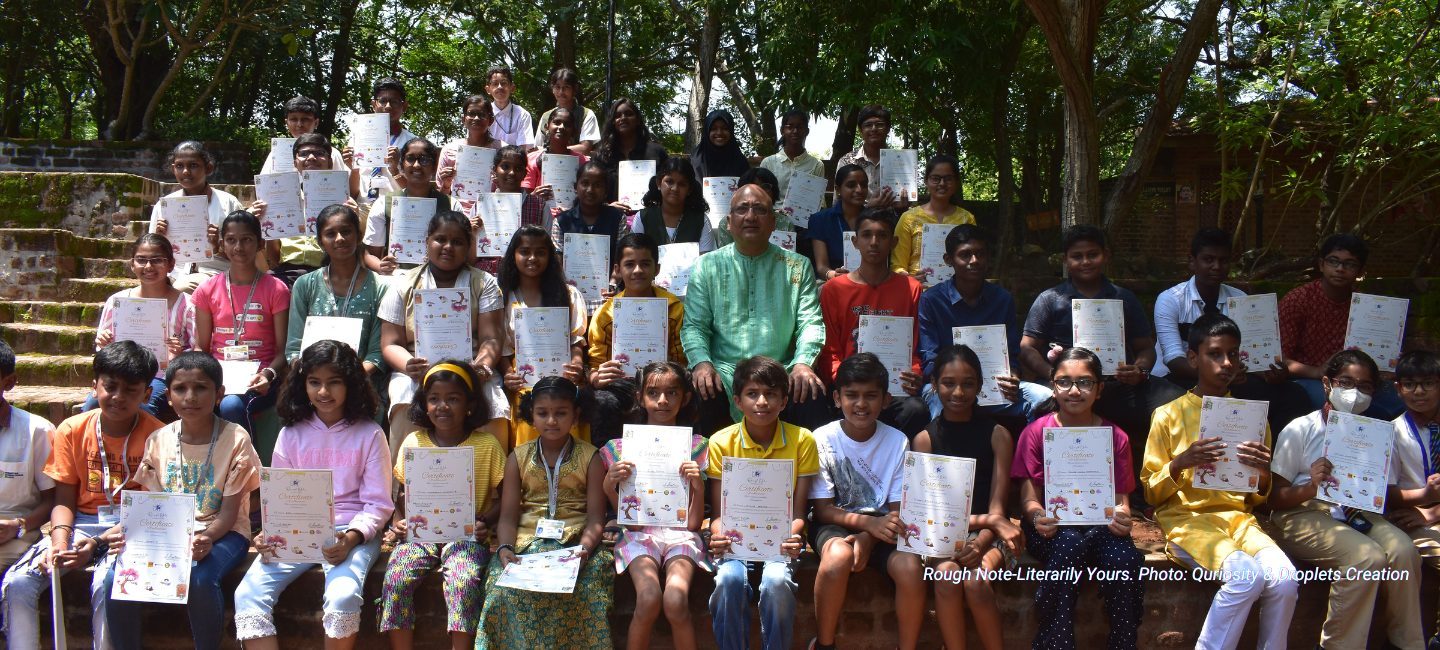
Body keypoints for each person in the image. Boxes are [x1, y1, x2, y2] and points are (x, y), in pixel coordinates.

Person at [1142, 314, 1298, 650]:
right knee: (1245, 577)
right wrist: (1182, 462)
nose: (1226, 363)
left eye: (1233, 354)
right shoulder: (1168, 415)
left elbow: (1256, 499)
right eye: (1215, 354)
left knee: (1285, 580)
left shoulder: (1252, 418)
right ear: (1194, 359)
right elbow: (1151, 492)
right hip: (1187, 521)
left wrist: (1264, 474)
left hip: (1239, 520)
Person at [0, 341, 162, 650]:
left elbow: (148, 512)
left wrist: (98, 544)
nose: (117, 397)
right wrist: (60, 543)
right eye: (110, 386)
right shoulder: (72, 429)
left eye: (130, 390)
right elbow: (63, 499)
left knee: (108, 584)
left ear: (147, 394)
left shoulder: (159, 437)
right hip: (79, 525)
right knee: (18, 583)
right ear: (94, 387)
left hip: (131, 530)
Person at [233, 341, 392, 648]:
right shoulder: (290, 434)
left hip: (351, 532)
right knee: (248, 593)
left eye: (335, 382)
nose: (324, 392)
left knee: (343, 594)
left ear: (352, 385)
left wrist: (354, 537)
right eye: (314, 382)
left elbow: (377, 503)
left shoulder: (370, 433)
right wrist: (270, 532)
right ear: (302, 384)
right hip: (297, 531)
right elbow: (279, 497)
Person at [101, 351, 261, 650]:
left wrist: (207, 539)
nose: (190, 397)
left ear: (219, 394)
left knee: (199, 578)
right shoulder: (159, 440)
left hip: (225, 533)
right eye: (180, 389)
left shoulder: (235, 437)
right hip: (168, 535)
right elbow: (150, 505)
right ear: (169, 396)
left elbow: (229, 512)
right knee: (116, 578)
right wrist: (126, 533)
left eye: (201, 387)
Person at [1268, 347, 1422, 650]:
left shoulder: (1377, 435)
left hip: (1358, 512)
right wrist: (1312, 486)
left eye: (1365, 387)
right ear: (1327, 384)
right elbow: (1272, 499)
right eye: (1346, 383)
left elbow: (1381, 494)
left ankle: (1407, 643)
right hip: (1301, 514)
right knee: (1366, 557)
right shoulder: (1301, 429)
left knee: (1404, 551)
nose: (1355, 392)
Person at [1021, 225, 1183, 499]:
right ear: (1065, 259)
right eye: (1076, 256)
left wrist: (1140, 369)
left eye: (1092, 254)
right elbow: (1027, 349)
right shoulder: (1050, 300)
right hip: (1068, 391)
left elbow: (1145, 347)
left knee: (1176, 403)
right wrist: (1053, 375)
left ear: (1106, 255)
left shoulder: (1124, 299)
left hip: (1116, 385)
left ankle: (1157, 489)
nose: (1085, 262)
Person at [1012, 347, 1144, 650]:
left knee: (1123, 559)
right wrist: (1036, 516)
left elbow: (1122, 499)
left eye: (1085, 382)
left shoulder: (1116, 436)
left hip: (1100, 526)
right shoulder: (1035, 433)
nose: (1074, 390)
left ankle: (1124, 642)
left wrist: (1123, 517)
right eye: (1064, 382)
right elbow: (1029, 499)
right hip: (1052, 528)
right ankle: (1055, 642)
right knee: (1070, 544)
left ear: (1099, 390)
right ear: (1052, 386)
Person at [476, 376, 614, 649]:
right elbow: (507, 517)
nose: (552, 421)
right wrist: (504, 548)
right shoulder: (518, 457)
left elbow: (597, 519)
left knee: (586, 593)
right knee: (501, 592)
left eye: (561, 413)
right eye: (543, 413)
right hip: (526, 544)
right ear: (531, 416)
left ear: (576, 416)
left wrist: (584, 550)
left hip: (577, 545)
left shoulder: (592, 457)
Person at [680, 183, 827, 434]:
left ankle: (808, 473)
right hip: (725, 372)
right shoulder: (706, 266)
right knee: (699, 391)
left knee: (810, 392)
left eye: (759, 209)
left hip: (782, 369)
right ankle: (706, 472)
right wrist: (702, 363)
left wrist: (803, 364)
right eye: (742, 209)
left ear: (773, 221)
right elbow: (694, 325)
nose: (750, 216)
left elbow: (810, 323)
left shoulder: (797, 266)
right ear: (728, 221)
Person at [379, 361, 505, 650]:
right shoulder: (414, 442)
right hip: (420, 534)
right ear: (424, 403)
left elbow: (506, 496)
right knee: (396, 579)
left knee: (463, 581)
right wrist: (400, 519)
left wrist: (485, 520)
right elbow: (402, 491)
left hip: (466, 534)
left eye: (453, 399)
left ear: (470, 404)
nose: (442, 406)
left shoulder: (486, 445)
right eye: (434, 399)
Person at [808, 353, 924, 650]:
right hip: (834, 522)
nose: (861, 404)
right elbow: (823, 509)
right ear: (837, 398)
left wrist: (869, 537)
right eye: (852, 395)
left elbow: (897, 512)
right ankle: (824, 643)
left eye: (871, 396)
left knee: (910, 568)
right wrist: (866, 527)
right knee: (837, 558)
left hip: (886, 529)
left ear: (885, 401)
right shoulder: (821, 438)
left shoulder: (898, 441)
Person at [910, 345, 1023, 650]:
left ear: (980, 386)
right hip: (940, 533)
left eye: (968, 383)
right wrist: (969, 534)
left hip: (991, 534)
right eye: (948, 382)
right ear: (933, 385)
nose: (957, 392)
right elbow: (926, 511)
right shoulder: (924, 440)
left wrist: (981, 540)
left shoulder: (998, 434)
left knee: (975, 582)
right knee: (946, 577)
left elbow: (998, 510)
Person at [705, 356, 816, 650]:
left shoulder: (802, 440)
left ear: (784, 401)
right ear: (737, 401)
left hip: (780, 541)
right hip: (735, 542)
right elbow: (719, 514)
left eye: (771, 394)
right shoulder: (719, 442)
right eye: (752, 394)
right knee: (729, 580)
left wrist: (794, 536)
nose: (762, 402)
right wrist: (717, 534)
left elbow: (799, 511)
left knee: (777, 583)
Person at [1152, 227, 1309, 432]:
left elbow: (1251, 356)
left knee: (1295, 396)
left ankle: (1270, 458)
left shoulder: (1240, 300)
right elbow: (1173, 360)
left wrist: (1270, 372)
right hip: (1181, 378)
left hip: (1230, 377)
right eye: (1208, 259)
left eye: (1223, 260)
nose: (1216, 266)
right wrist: (1222, 374)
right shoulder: (1170, 300)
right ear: (1192, 262)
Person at [600, 361, 709, 650]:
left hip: (681, 535)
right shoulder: (620, 448)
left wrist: (697, 485)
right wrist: (610, 488)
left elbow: (694, 525)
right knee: (648, 600)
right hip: (638, 535)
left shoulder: (697, 446)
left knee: (675, 601)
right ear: (639, 397)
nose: (663, 400)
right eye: (653, 392)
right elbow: (633, 523)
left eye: (672, 392)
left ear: (685, 398)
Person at [378, 210, 505, 458]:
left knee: (494, 403)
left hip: (471, 368)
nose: (448, 247)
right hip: (418, 369)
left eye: (458, 242)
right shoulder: (402, 283)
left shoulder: (485, 283)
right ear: (427, 241)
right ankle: (405, 485)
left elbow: (492, 339)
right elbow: (390, 343)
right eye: (441, 239)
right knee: (404, 397)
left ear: (469, 246)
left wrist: (481, 369)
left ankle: (492, 487)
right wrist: (408, 365)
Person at [918, 224, 1052, 422]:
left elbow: (1012, 354)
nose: (974, 261)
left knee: (1044, 398)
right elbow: (930, 359)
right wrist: (951, 382)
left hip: (994, 385)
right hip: (948, 386)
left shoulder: (1002, 299)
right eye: (965, 255)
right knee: (938, 406)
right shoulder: (932, 300)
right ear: (949, 260)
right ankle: (943, 452)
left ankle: (1029, 452)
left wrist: (1013, 376)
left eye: (980, 253)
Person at [814, 207, 929, 436]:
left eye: (882, 235)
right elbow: (830, 351)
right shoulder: (834, 289)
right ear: (855, 242)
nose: (874, 242)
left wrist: (914, 374)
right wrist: (842, 380)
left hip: (893, 388)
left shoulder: (911, 289)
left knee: (916, 409)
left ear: (894, 242)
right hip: (849, 387)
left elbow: (916, 346)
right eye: (866, 235)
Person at [1279, 232, 1406, 418]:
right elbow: (1279, 359)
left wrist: (1389, 360)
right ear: (1321, 264)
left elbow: (1379, 359)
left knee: (1402, 399)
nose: (1340, 268)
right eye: (1333, 261)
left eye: (1350, 264)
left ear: (1361, 271)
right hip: (1312, 379)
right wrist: (1317, 371)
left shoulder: (1368, 308)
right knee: (1331, 401)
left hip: (1361, 382)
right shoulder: (1297, 300)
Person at [284, 204, 390, 419]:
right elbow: (294, 350)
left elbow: (377, 355)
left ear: (359, 236)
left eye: (346, 231)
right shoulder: (305, 285)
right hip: (314, 390)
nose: (339, 238)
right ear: (320, 242)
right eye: (330, 234)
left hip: (361, 386)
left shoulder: (381, 287)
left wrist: (344, 380)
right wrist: (318, 381)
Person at [192, 211, 290, 439]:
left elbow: (283, 351)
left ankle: (248, 469)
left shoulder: (276, 289)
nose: (238, 247)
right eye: (231, 240)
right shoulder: (207, 289)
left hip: (261, 378)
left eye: (246, 239)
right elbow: (201, 348)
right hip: (220, 376)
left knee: (231, 405)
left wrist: (268, 374)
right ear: (221, 244)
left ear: (260, 243)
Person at [587, 233, 686, 446]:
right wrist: (596, 377)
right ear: (617, 270)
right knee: (603, 401)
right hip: (623, 382)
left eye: (645, 264)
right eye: (630, 264)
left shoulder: (673, 308)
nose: (638, 270)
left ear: (657, 269)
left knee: (689, 396)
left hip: (664, 383)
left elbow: (682, 359)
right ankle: (607, 468)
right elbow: (596, 362)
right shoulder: (606, 313)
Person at [497, 225, 590, 447]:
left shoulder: (568, 294)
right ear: (513, 255)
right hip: (523, 378)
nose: (533, 258)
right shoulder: (502, 297)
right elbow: (501, 347)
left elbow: (576, 340)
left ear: (550, 256)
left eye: (540, 252)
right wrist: (508, 373)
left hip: (563, 374)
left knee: (570, 395)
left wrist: (577, 364)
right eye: (525, 251)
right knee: (530, 399)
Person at [84, 233, 194, 417]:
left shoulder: (187, 304)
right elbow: (103, 353)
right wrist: (104, 345)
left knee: (145, 406)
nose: (149, 266)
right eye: (141, 260)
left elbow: (197, 348)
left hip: (162, 375)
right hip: (121, 373)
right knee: (92, 405)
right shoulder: (117, 302)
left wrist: (179, 355)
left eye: (157, 260)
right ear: (132, 264)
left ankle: (145, 446)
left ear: (171, 265)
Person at [255, 132, 361, 288]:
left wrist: (354, 219)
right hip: (287, 274)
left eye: (319, 153)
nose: (311, 157)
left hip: (330, 273)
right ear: (295, 164)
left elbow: (355, 251)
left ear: (330, 163)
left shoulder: (345, 202)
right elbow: (275, 259)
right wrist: (267, 223)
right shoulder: (280, 200)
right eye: (303, 154)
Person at [1388, 350, 1440, 646]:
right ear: (1398, 388)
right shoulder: (1393, 432)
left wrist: (1433, 513)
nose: (1419, 391)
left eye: (1429, 383)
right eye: (1410, 384)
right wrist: (1425, 501)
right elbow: (1389, 494)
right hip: (1412, 518)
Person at [150, 140, 246, 292]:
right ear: (173, 169)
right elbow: (151, 253)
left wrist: (217, 247)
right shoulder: (165, 206)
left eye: (193, 165)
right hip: (175, 271)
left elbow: (246, 253)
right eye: (180, 166)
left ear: (208, 168)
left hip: (215, 271)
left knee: (180, 288)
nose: (186, 171)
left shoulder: (227, 203)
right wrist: (158, 238)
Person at [0, 340, 55, 574]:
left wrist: (18, 526)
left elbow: (53, 499)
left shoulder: (37, 431)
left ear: (9, 382)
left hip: (13, 532)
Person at [363, 137, 453, 276]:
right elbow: (370, 254)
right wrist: (381, 266)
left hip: (438, 280)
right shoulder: (383, 203)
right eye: (410, 158)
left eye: (424, 159)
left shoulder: (451, 205)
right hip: (396, 280)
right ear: (402, 165)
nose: (416, 165)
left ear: (434, 167)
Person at [891, 154, 974, 282]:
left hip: (957, 292)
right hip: (918, 293)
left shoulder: (966, 219)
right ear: (926, 181)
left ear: (957, 182)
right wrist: (910, 279)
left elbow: (971, 260)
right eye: (936, 178)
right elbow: (897, 266)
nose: (942, 183)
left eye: (948, 179)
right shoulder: (909, 218)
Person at [555, 160, 628, 292]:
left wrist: (612, 284)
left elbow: (621, 257)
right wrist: (568, 290)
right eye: (584, 183)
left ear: (606, 190)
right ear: (575, 187)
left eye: (597, 185)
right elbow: (558, 262)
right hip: (571, 293)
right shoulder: (562, 221)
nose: (590, 190)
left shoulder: (617, 218)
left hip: (609, 293)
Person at [592, 97, 670, 210]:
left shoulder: (656, 151)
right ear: (612, 122)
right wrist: (607, 207)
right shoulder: (602, 155)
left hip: (650, 218)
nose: (623, 118)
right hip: (611, 219)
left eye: (628, 114)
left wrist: (658, 202)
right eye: (618, 115)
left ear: (638, 119)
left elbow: (670, 184)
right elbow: (592, 190)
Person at [437, 94, 504, 216]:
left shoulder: (502, 150)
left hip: (491, 213)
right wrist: (446, 184)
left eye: (482, 114)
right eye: (471, 113)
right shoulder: (449, 150)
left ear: (491, 120)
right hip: (455, 214)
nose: (476, 118)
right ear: (463, 118)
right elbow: (440, 196)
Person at [631, 156, 716, 251]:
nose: (675, 188)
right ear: (659, 184)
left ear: (689, 189)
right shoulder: (642, 218)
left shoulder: (701, 220)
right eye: (669, 182)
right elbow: (635, 255)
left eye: (682, 184)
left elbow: (706, 260)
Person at [355, 77, 417, 203]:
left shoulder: (413, 143)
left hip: (396, 207)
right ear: (374, 105)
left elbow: (417, 188)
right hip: (363, 205)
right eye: (382, 101)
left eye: (394, 101)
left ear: (404, 106)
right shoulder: (357, 140)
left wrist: (396, 170)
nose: (388, 106)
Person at [260, 96, 352, 178]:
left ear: (316, 123)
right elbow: (264, 185)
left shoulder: (331, 153)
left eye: (305, 119)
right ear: (287, 123)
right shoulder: (276, 154)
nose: (299, 124)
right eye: (294, 119)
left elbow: (341, 184)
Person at [837, 104, 907, 210]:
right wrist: (869, 208)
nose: (874, 129)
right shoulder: (847, 161)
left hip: (894, 224)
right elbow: (838, 203)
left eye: (880, 124)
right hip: (857, 225)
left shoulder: (903, 162)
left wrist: (901, 209)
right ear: (860, 130)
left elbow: (908, 202)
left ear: (888, 128)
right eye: (868, 125)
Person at [808, 164, 869, 281]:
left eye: (864, 185)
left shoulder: (874, 219)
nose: (859, 190)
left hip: (869, 281)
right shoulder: (820, 220)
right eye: (851, 185)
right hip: (832, 281)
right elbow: (822, 268)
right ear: (838, 189)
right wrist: (834, 275)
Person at [760, 109, 826, 199]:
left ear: (807, 131)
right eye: (790, 126)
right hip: (773, 212)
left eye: (800, 127)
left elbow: (818, 200)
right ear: (782, 131)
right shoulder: (768, 163)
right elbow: (761, 197)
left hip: (805, 212)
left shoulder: (816, 165)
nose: (795, 131)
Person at [523, 108, 590, 196]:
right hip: (540, 209)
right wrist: (535, 196)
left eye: (568, 124)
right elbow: (525, 195)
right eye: (557, 122)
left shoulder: (584, 163)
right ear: (546, 127)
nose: (561, 127)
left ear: (574, 132)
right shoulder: (531, 159)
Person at [534, 68, 602, 154]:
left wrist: (551, 150)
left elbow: (585, 149)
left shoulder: (586, 114)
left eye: (566, 87)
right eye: (557, 87)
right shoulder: (546, 116)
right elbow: (536, 148)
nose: (561, 92)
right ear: (552, 89)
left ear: (575, 89)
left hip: (576, 164)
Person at [689, 110, 750, 181]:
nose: (719, 132)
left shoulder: (741, 163)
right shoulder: (695, 162)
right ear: (707, 131)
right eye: (714, 128)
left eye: (725, 128)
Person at [485, 66, 535, 149]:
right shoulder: (482, 113)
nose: (500, 87)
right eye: (495, 83)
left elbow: (523, 148)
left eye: (504, 83)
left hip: (513, 161)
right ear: (488, 89)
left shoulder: (522, 115)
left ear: (512, 88)